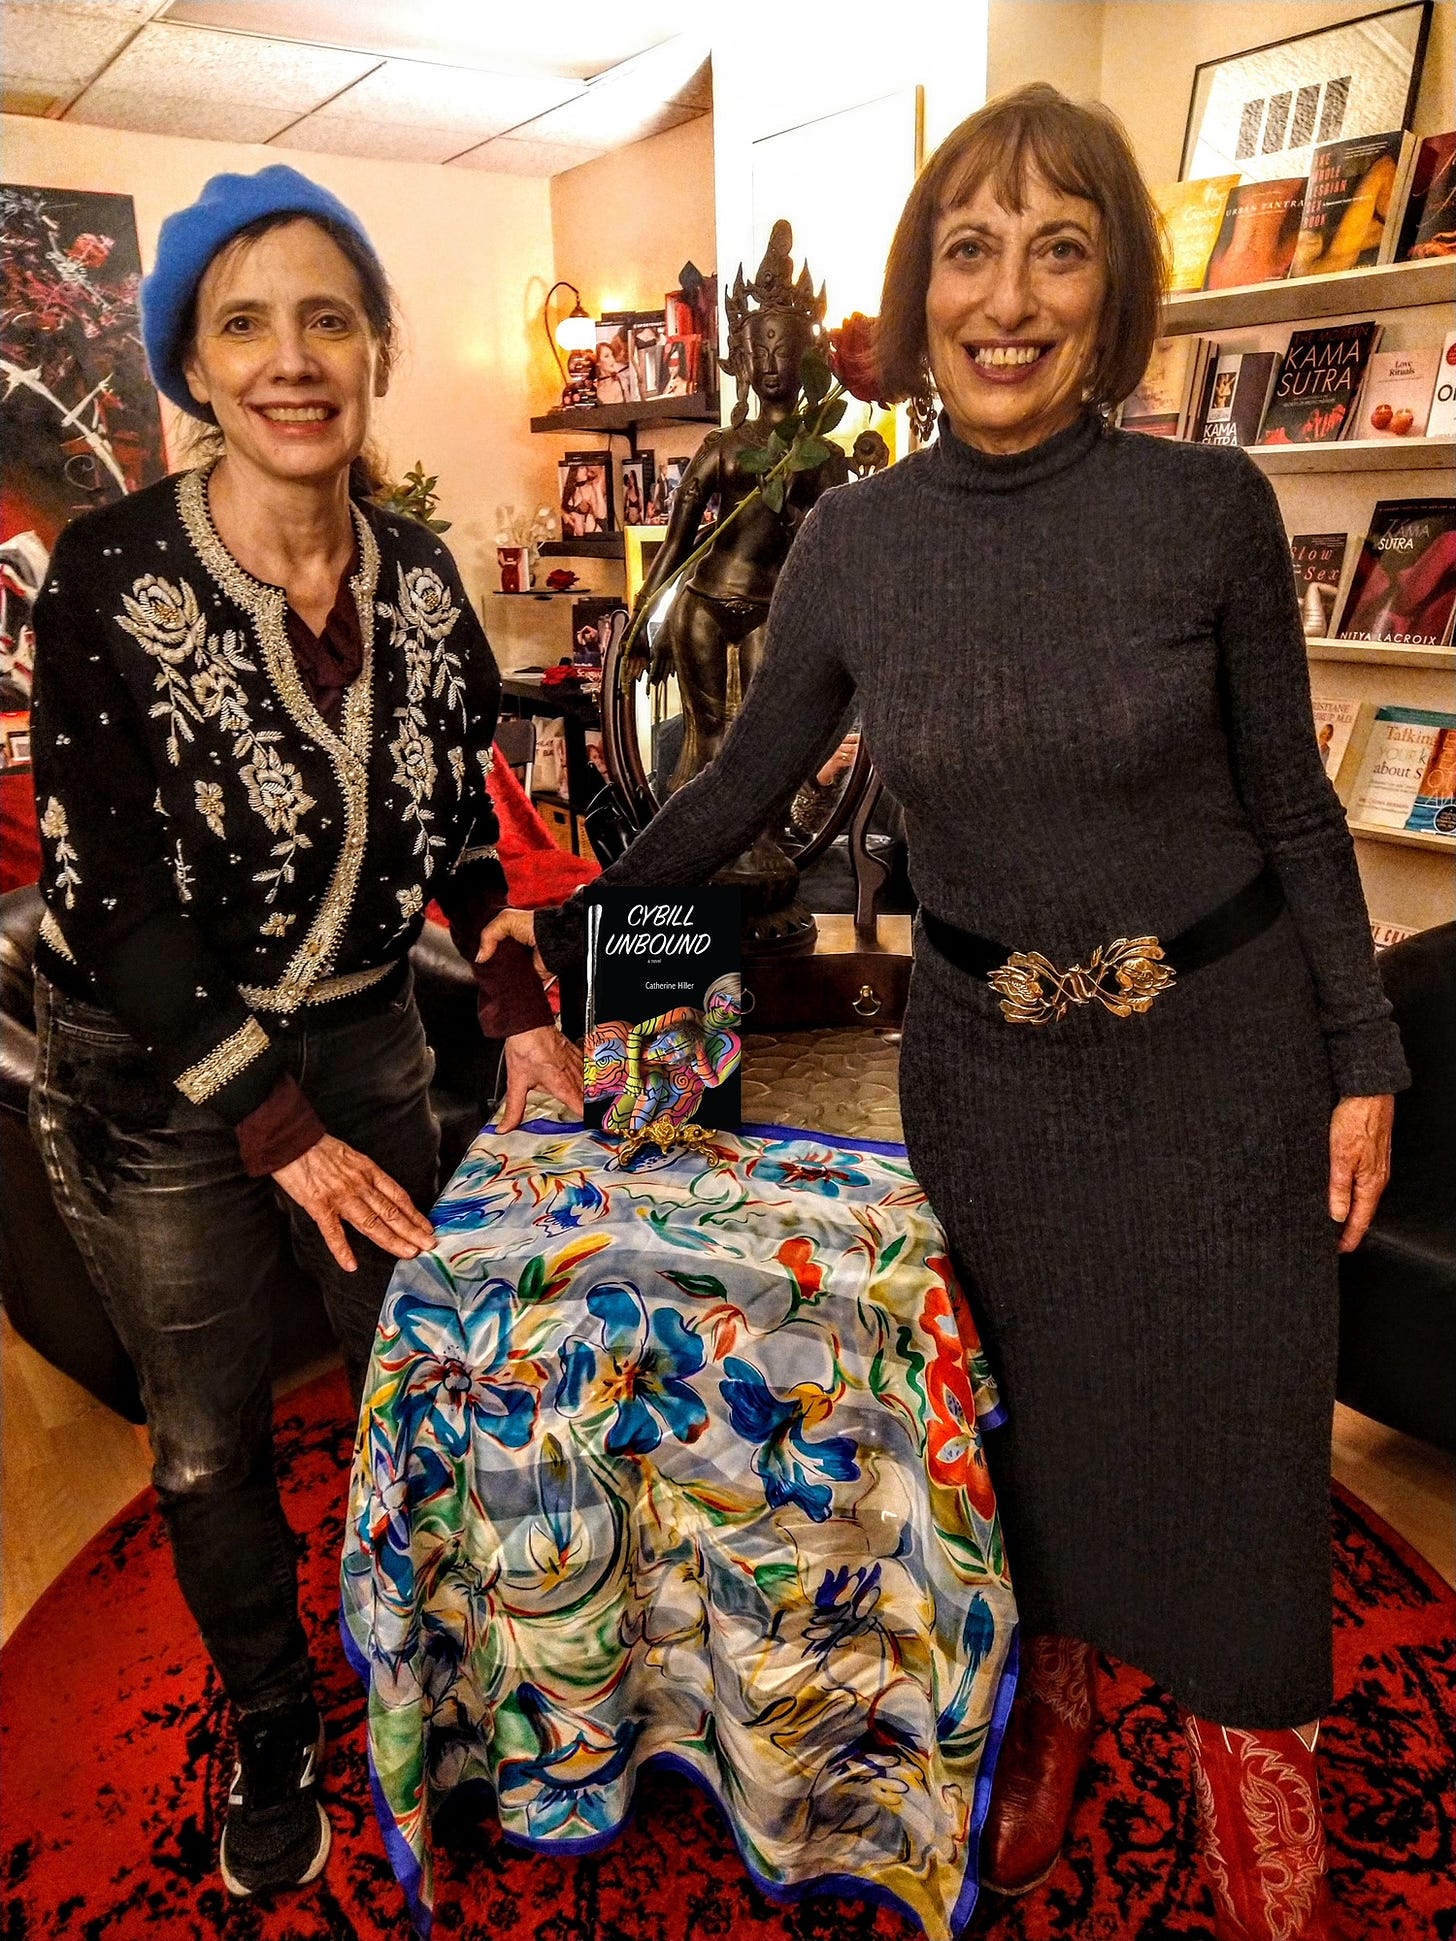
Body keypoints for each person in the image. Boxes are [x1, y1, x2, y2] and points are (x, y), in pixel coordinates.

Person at [481, 87, 1404, 1939]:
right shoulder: (858, 543)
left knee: (1238, 1462)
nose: (1009, 296)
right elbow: (733, 792)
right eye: (969, 251)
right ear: (920, 290)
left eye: (1059, 249)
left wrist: (1362, 1057)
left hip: (1223, 1070)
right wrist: (563, 951)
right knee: (1029, 1432)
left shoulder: (1210, 512)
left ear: (1114, 290)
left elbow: (1298, 809)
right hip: (988, 1090)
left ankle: (1258, 1785)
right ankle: (1053, 1687)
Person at [28, 165, 582, 1901]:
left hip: (362, 1039)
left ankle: (436, 1649)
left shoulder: (419, 578)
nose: (292, 358)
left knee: (413, 1357)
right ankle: (273, 1713)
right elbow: (111, 897)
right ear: (193, 365)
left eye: (328, 319)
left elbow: (463, 819)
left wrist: (519, 1014)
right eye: (245, 324)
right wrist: (278, 1129)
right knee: (208, 1433)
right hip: (160, 1085)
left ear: (376, 350)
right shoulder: (105, 578)